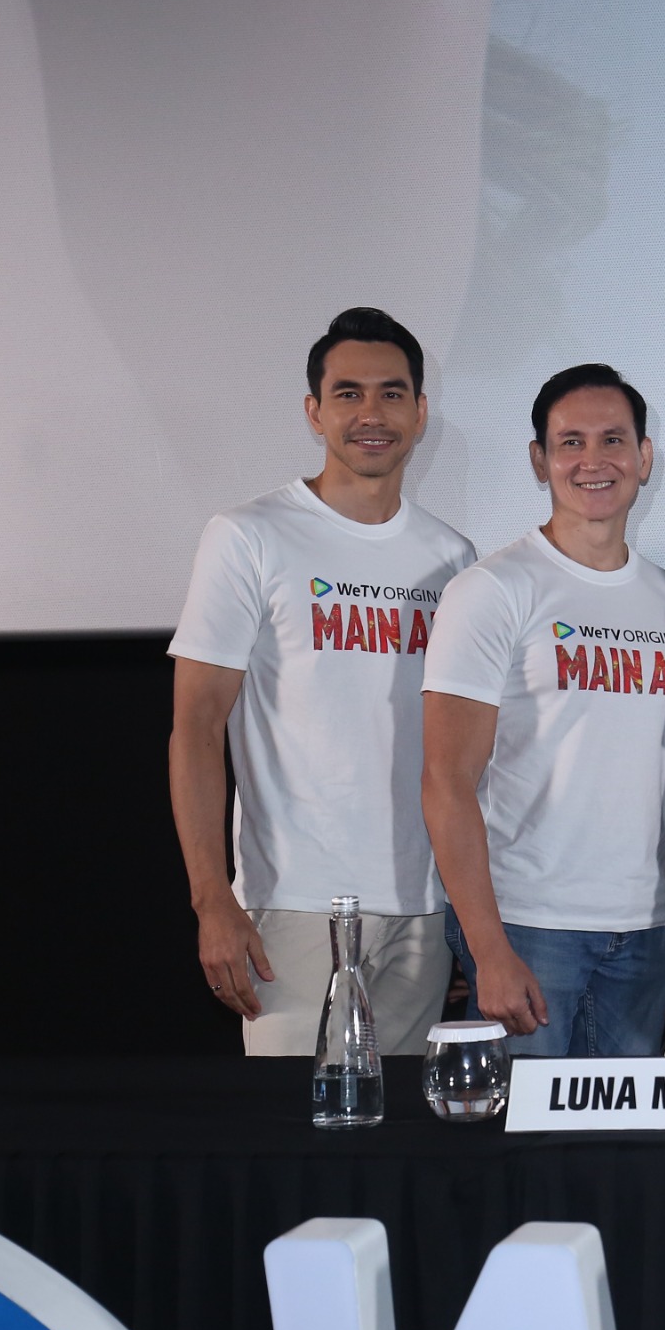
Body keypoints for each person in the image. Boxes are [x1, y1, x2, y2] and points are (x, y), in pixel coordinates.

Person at [167, 307, 474, 1053]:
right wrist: (211, 898)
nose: (372, 413)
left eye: (392, 393)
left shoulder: (455, 558)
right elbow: (197, 727)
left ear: (420, 412)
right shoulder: (248, 536)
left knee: (401, 1125)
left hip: (423, 908)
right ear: (314, 412)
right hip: (293, 909)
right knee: (296, 1125)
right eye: (348, 394)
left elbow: (468, 755)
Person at [420, 364, 665, 1055]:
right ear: (539, 459)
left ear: (644, 456)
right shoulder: (491, 591)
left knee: (624, 1130)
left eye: (613, 440)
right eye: (570, 442)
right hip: (527, 926)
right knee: (525, 1126)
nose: (592, 460)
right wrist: (488, 949)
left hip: (647, 931)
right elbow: (446, 782)